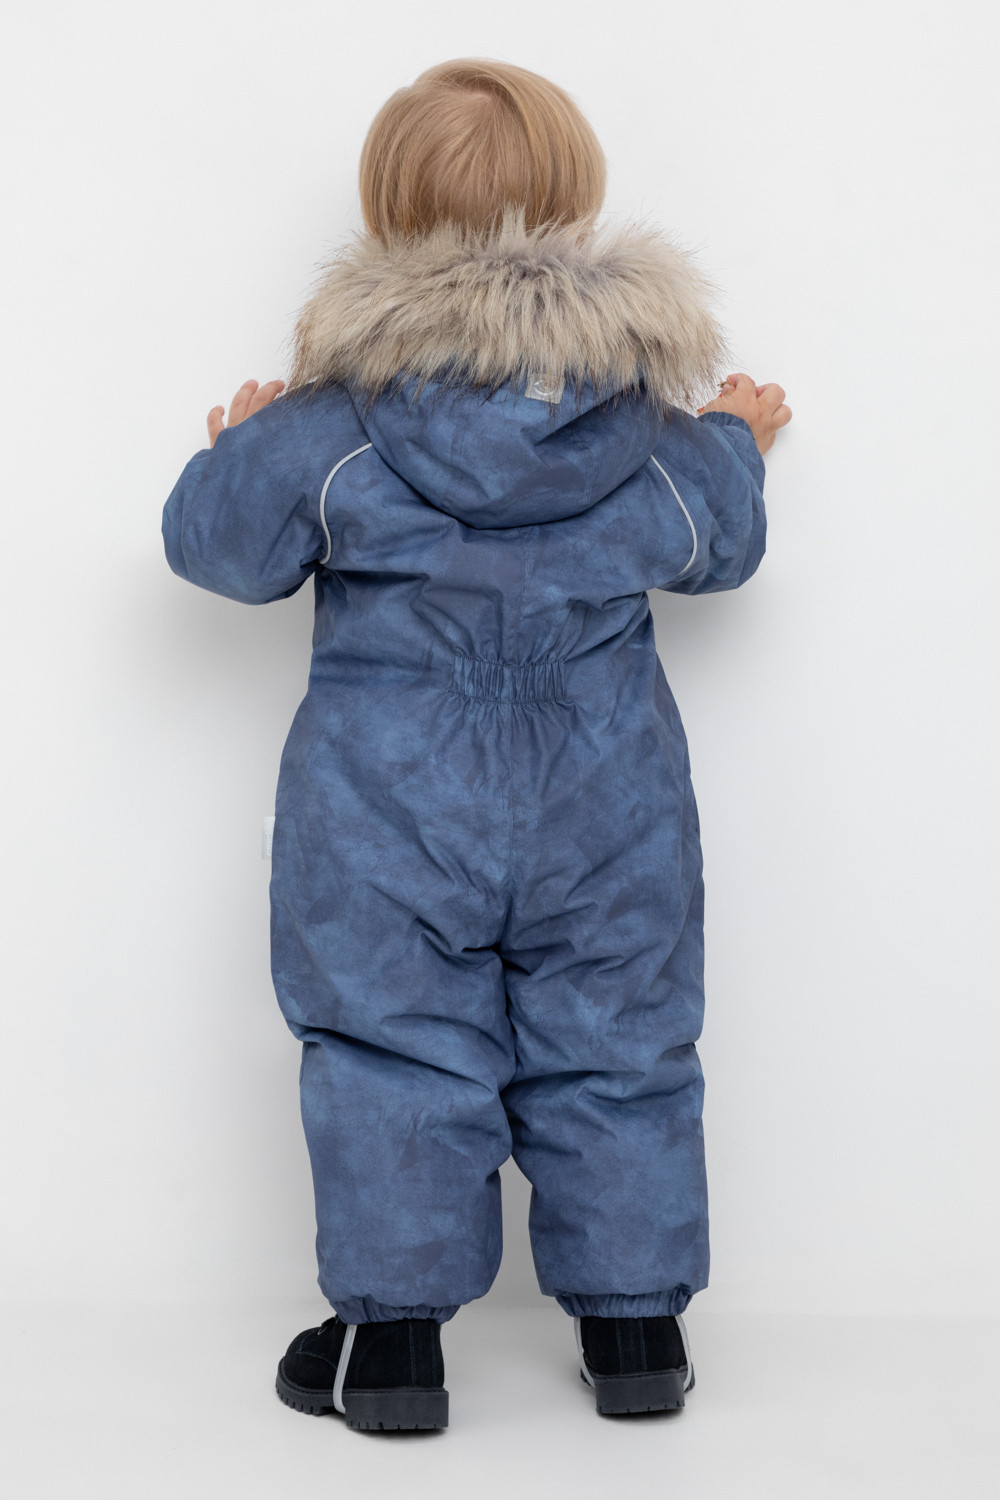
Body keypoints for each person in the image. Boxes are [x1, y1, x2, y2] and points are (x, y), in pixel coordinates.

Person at [162, 57, 791, 1433]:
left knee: (390, 1049)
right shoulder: (651, 435)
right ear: (575, 206)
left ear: (390, 216)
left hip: (385, 817)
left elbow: (217, 550)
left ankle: (390, 1356)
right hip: (607, 806)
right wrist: (737, 438)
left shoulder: (333, 432)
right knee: (620, 1043)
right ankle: (637, 1338)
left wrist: (240, 448)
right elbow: (726, 544)